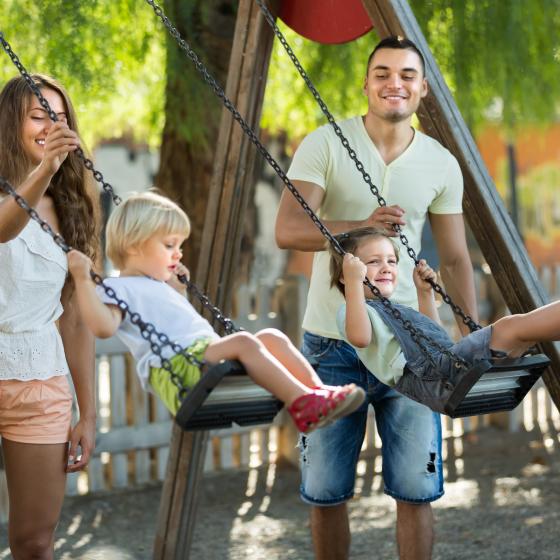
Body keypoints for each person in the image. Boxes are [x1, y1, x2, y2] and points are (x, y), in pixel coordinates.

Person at [275, 36, 478, 559]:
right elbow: (289, 229)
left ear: (423, 89)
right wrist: (361, 225)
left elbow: (454, 258)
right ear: (366, 84)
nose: (395, 83)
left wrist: (469, 335)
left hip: (410, 345)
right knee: (325, 493)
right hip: (331, 343)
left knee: (417, 488)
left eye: (407, 75)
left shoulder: (441, 163)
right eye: (383, 73)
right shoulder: (325, 142)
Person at [67, 191, 366, 433]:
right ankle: (303, 404)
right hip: (178, 369)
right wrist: (82, 278)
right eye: (170, 244)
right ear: (133, 245)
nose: (179, 253)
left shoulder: (155, 284)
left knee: (271, 337)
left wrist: (178, 292)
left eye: (180, 245)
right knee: (245, 342)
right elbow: (103, 327)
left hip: (199, 355)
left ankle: (318, 395)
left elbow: (171, 319)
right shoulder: (118, 288)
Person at [0, 74, 99, 558]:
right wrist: (44, 169)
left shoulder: (75, 204)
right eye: (39, 116)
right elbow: (4, 228)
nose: (50, 126)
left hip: (40, 381)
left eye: (60, 118)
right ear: (9, 124)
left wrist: (89, 413)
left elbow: (76, 319)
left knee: (34, 540)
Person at [331, 226, 553, 399]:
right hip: (435, 378)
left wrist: (425, 294)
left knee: (523, 335)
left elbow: (436, 337)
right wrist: (353, 282)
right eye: (373, 261)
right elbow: (360, 338)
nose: (386, 267)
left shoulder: (396, 308)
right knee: (509, 328)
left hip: (443, 368)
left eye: (391, 261)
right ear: (346, 274)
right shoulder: (352, 311)